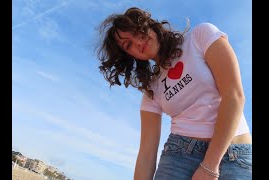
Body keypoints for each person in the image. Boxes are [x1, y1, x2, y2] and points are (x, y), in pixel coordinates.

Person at [96, 7, 252, 180]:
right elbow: (147, 153)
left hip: (236, 156)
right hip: (179, 156)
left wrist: (209, 166)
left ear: (148, 25)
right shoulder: (151, 89)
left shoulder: (200, 36)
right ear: (129, 55)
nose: (138, 42)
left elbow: (234, 95)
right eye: (128, 44)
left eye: (136, 31)